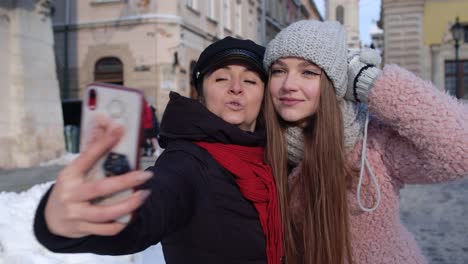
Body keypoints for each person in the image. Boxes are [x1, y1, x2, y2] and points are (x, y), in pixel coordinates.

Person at [34, 37, 284, 264]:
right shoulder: (187, 162)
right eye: (221, 78)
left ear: (265, 95)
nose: (236, 87)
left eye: (250, 80)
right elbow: (154, 203)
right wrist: (67, 219)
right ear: (201, 94)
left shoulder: (278, 154)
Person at [262, 20, 468, 264]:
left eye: (308, 72)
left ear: (335, 82)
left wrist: (370, 83)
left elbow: (461, 147)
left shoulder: (372, 143)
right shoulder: (259, 143)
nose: (288, 85)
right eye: (279, 71)